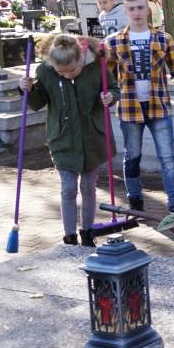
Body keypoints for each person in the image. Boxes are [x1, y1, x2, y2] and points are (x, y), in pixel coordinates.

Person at [105, 0, 174, 214]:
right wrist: (104, 95)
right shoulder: (114, 42)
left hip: (158, 106)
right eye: (132, 9)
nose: (136, 13)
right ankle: (135, 199)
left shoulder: (163, 39)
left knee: (167, 157)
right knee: (132, 156)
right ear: (125, 11)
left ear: (148, 9)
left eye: (140, 7)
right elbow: (105, 79)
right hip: (129, 108)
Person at [21, 35, 117, 246]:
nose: (66, 75)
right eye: (60, 72)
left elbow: (113, 88)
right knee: (68, 188)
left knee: (88, 187)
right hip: (62, 138)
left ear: (81, 58)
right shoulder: (45, 72)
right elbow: (37, 103)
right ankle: (69, 236)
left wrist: (109, 96)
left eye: (72, 71)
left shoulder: (96, 66)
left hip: (93, 137)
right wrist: (26, 90)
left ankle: (88, 231)